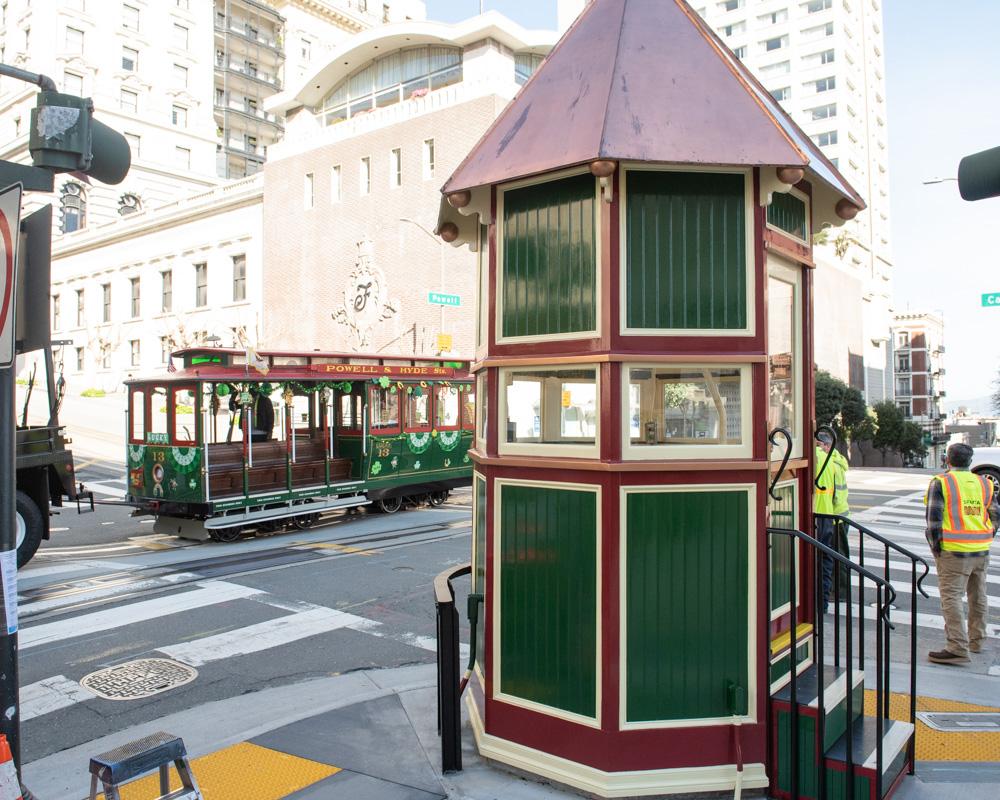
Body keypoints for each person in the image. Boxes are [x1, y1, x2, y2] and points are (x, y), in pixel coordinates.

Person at [924, 443, 999, 665]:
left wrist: (936, 547)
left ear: (948, 460)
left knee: (951, 597)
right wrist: (986, 535)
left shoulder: (942, 483)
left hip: (954, 550)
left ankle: (957, 647)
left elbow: (933, 521)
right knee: (979, 595)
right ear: (970, 461)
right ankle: (976, 640)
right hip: (981, 549)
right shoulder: (984, 483)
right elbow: (995, 515)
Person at [814, 431, 838, 612]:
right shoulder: (831, 459)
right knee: (825, 561)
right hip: (828, 515)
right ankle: (822, 603)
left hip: (814, 515)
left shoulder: (814, 456)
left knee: (810, 561)